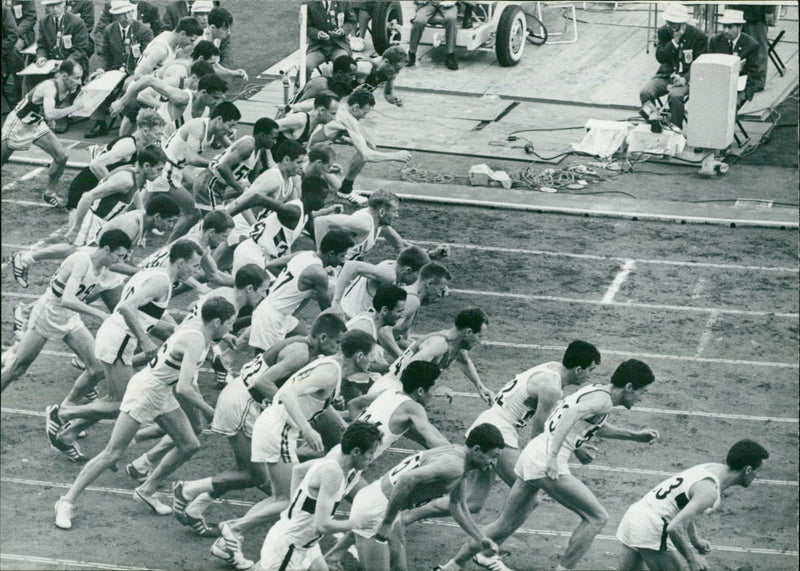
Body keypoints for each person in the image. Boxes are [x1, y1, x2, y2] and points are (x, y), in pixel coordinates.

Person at [435, 359, 660, 571]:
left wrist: (635, 436)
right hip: (545, 459)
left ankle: (450, 567)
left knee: (504, 523)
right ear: (629, 387)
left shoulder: (596, 390)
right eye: (643, 392)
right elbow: (571, 414)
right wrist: (553, 457)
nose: (641, 398)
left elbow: (591, 423)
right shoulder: (604, 401)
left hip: (532, 454)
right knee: (597, 517)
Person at [399, 340, 602, 559]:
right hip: (498, 433)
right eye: (590, 370)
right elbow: (539, 433)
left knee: (474, 502)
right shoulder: (551, 387)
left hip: (490, 424)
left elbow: (555, 417)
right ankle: (490, 550)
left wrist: (577, 446)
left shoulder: (553, 369)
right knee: (530, 497)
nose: (590, 375)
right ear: (578, 369)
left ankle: (407, 517)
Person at [54, 296, 236, 529]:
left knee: (190, 444)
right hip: (145, 393)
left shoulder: (199, 328)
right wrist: (210, 411)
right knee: (112, 453)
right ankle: (66, 501)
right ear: (217, 322)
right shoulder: (197, 341)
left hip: (163, 392)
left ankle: (147, 489)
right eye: (229, 324)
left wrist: (223, 337)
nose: (232, 328)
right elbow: (184, 387)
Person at [211, 329, 376, 570]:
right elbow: (287, 393)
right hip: (279, 429)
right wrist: (307, 429)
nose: (373, 361)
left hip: (274, 426)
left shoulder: (331, 368)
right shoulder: (331, 373)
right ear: (360, 356)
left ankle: (228, 540)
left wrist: (336, 413)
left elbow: (310, 396)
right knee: (288, 500)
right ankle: (234, 528)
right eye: (372, 355)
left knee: (281, 498)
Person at [171, 313, 347, 537]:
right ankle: (188, 490)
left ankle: (196, 505)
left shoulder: (308, 351)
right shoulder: (301, 352)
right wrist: (289, 408)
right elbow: (262, 382)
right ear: (323, 338)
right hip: (243, 403)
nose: (339, 348)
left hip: (247, 402)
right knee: (254, 474)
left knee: (252, 470)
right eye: (337, 342)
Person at [46, 240, 203, 458]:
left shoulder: (154, 274)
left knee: (114, 399)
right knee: (122, 403)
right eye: (195, 266)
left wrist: (177, 331)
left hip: (116, 337)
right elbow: (126, 307)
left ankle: (68, 434)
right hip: (118, 340)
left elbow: (146, 314)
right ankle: (62, 413)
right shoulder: (161, 283)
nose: (196, 271)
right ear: (181, 263)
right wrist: (145, 340)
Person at [349, 424, 505, 571]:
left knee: (400, 568)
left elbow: (457, 505)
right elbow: (406, 480)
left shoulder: (460, 457)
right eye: (493, 456)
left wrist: (480, 538)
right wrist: (387, 522)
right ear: (477, 450)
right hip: (376, 510)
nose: (494, 463)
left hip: (385, 504)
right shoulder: (454, 466)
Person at [11, 145, 168, 290]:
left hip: (105, 222)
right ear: (147, 166)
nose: (160, 174)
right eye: (159, 169)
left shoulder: (136, 176)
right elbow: (87, 196)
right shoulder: (125, 180)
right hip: (94, 219)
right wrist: (76, 228)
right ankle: (24, 259)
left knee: (95, 258)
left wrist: (141, 211)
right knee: (74, 251)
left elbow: (135, 194)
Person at [1, 231, 132, 393]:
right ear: (106, 249)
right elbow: (67, 299)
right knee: (17, 369)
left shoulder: (103, 265)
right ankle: (13, 354)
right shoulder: (82, 260)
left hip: (69, 318)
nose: (119, 261)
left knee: (97, 368)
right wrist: (101, 314)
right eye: (119, 255)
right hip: (48, 314)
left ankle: (65, 409)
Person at [616, 439, 770, 571]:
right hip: (652, 526)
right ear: (748, 470)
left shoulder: (712, 468)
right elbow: (674, 527)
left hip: (635, 515)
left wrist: (695, 540)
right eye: (758, 471)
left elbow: (684, 507)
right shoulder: (710, 491)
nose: (758, 476)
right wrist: (692, 558)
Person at [255, 421, 382, 571]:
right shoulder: (333, 472)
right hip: (289, 549)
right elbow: (322, 526)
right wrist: (359, 523)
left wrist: (296, 506)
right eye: (370, 453)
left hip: (305, 545)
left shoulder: (333, 460)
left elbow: (298, 471)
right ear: (355, 451)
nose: (372, 459)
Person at [247, 230, 353, 353]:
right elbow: (327, 311)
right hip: (271, 319)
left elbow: (272, 265)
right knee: (264, 364)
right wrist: (346, 330)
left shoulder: (304, 254)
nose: (343, 261)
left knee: (308, 342)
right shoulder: (319, 274)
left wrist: (292, 285)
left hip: (279, 314)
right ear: (332, 253)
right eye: (342, 256)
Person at [148, 100, 240, 241]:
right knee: (192, 213)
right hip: (166, 171)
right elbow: (192, 158)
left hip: (176, 170)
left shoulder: (215, 130)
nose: (230, 130)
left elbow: (234, 149)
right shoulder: (198, 126)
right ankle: (169, 247)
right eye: (230, 125)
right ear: (220, 119)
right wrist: (215, 165)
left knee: (144, 207)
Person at [1, 60, 84, 207]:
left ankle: (49, 193)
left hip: (36, 123)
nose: (80, 82)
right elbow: (51, 113)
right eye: (77, 78)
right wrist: (74, 108)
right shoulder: (49, 87)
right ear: (65, 76)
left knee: (62, 156)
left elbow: (48, 111)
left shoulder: (68, 86)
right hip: (18, 123)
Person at [308, 89, 411, 206]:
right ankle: (343, 190)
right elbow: (366, 155)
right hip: (309, 155)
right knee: (335, 186)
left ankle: (344, 187)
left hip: (311, 148)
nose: (364, 117)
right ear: (356, 107)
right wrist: (395, 156)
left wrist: (342, 138)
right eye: (364, 113)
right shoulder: (348, 119)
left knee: (367, 145)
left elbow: (326, 128)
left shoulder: (340, 107)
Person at [369, 307, 493, 404]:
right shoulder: (439, 344)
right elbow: (410, 369)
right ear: (469, 332)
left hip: (396, 391)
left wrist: (480, 386)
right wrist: (434, 390)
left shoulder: (456, 344)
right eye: (479, 336)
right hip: (389, 391)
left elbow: (464, 361)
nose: (480, 341)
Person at [314, 188, 449, 262]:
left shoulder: (381, 225)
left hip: (347, 269)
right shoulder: (364, 223)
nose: (397, 216)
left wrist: (431, 254)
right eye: (394, 211)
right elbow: (321, 222)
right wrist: (322, 260)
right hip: (333, 271)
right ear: (382, 211)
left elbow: (401, 246)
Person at [86, 0, 156, 139]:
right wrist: (101, 70)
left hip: (136, 71)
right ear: (116, 16)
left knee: (129, 86)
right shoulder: (109, 30)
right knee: (97, 82)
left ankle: (128, 121)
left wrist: (135, 74)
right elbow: (105, 54)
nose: (127, 17)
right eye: (122, 14)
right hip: (116, 70)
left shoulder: (144, 30)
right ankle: (100, 122)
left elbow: (148, 59)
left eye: (129, 12)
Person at [639, 3, 707, 130]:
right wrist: (674, 42)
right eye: (667, 22)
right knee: (645, 93)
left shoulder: (698, 36)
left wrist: (684, 79)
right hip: (666, 75)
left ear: (682, 23)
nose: (669, 26)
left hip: (687, 78)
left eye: (672, 23)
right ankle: (655, 124)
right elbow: (660, 57)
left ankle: (676, 130)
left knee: (675, 96)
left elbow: (699, 64)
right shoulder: (664, 31)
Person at [195, 117, 278, 213]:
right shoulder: (248, 145)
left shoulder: (260, 149)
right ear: (262, 136)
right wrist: (239, 189)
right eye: (273, 138)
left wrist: (265, 193)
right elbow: (223, 167)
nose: (275, 142)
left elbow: (253, 176)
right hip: (210, 182)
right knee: (218, 222)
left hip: (219, 185)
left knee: (206, 219)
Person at [333, 246, 430, 320]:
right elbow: (351, 265)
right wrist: (336, 302)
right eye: (419, 275)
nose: (419, 280)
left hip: (349, 316)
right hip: (349, 319)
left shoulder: (395, 266)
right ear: (408, 270)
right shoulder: (389, 275)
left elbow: (414, 258)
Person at [345, 283, 408, 369]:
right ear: (385, 310)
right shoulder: (365, 327)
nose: (402, 315)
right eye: (399, 311)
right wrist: (390, 368)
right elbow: (355, 362)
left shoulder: (375, 322)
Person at [709, 9, 761, 108]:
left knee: (729, 105)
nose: (726, 30)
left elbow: (752, 73)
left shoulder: (751, 45)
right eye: (724, 26)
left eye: (729, 27)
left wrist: (736, 73)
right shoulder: (715, 41)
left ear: (739, 27)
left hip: (740, 86)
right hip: (719, 83)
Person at [36, 0, 90, 82]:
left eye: (58, 5)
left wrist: (64, 64)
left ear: (64, 3)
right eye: (51, 6)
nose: (55, 9)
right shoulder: (44, 22)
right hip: (52, 65)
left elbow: (80, 51)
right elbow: (42, 45)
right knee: (29, 78)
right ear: (46, 7)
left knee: (58, 78)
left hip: (73, 63)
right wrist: (42, 57)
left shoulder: (77, 22)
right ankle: (26, 95)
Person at [133, 16, 203, 77]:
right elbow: (138, 75)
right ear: (182, 34)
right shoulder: (160, 49)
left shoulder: (172, 38)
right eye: (192, 40)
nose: (191, 44)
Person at [305, 0, 355, 80]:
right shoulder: (309, 3)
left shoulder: (344, 2)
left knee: (344, 66)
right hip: (318, 47)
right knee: (306, 65)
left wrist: (342, 30)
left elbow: (351, 21)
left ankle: (341, 89)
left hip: (338, 46)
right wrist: (317, 34)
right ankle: (299, 89)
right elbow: (305, 27)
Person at [731, 4, 777, 91]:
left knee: (758, 49)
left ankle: (758, 82)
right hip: (735, 12)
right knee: (736, 47)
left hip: (755, 15)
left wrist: (769, 10)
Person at [275, 90, 339, 148]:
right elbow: (268, 126)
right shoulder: (300, 119)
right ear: (322, 110)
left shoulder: (315, 124)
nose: (334, 118)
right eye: (333, 113)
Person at [407, 1, 460, 71]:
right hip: (429, 3)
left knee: (451, 19)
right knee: (419, 21)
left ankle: (450, 55)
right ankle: (411, 53)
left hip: (448, 4)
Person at [94, 0, 163, 51]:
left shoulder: (150, 9)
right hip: (116, 49)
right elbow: (100, 30)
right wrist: (103, 50)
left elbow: (159, 32)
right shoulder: (114, 6)